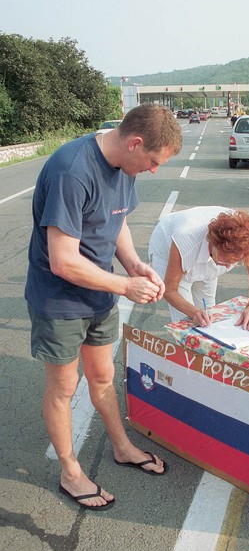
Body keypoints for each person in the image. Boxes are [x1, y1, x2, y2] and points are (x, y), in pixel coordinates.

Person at [25, 104, 182, 509]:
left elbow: (118, 221)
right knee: (64, 387)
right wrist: (125, 285)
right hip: (58, 299)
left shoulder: (123, 166)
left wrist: (134, 265)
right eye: (152, 161)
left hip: (100, 293)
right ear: (134, 142)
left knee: (102, 376)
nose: (153, 170)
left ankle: (122, 447)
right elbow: (63, 260)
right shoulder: (71, 170)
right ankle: (70, 471)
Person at [148, 207, 249, 329]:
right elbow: (170, 291)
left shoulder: (248, 242)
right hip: (168, 249)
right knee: (187, 322)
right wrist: (193, 312)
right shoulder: (185, 240)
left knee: (209, 315)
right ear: (213, 244)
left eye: (235, 262)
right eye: (225, 259)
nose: (228, 266)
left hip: (206, 253)